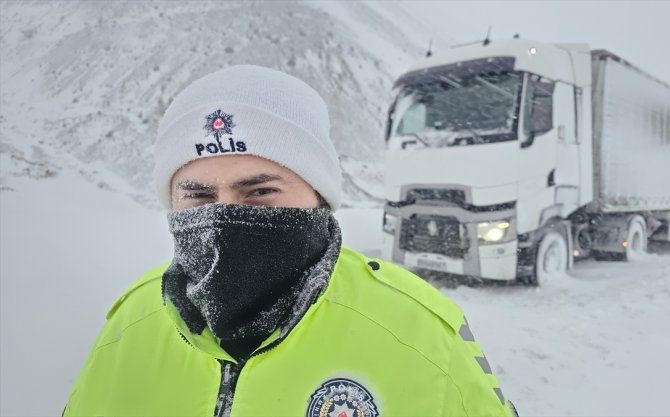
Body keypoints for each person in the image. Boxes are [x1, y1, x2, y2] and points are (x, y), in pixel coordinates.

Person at [63, 65, 516, 417]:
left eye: (260, 192)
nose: (223, 218)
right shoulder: (129, 324)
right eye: (199, 196)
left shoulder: (419, 331)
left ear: (319, 195)